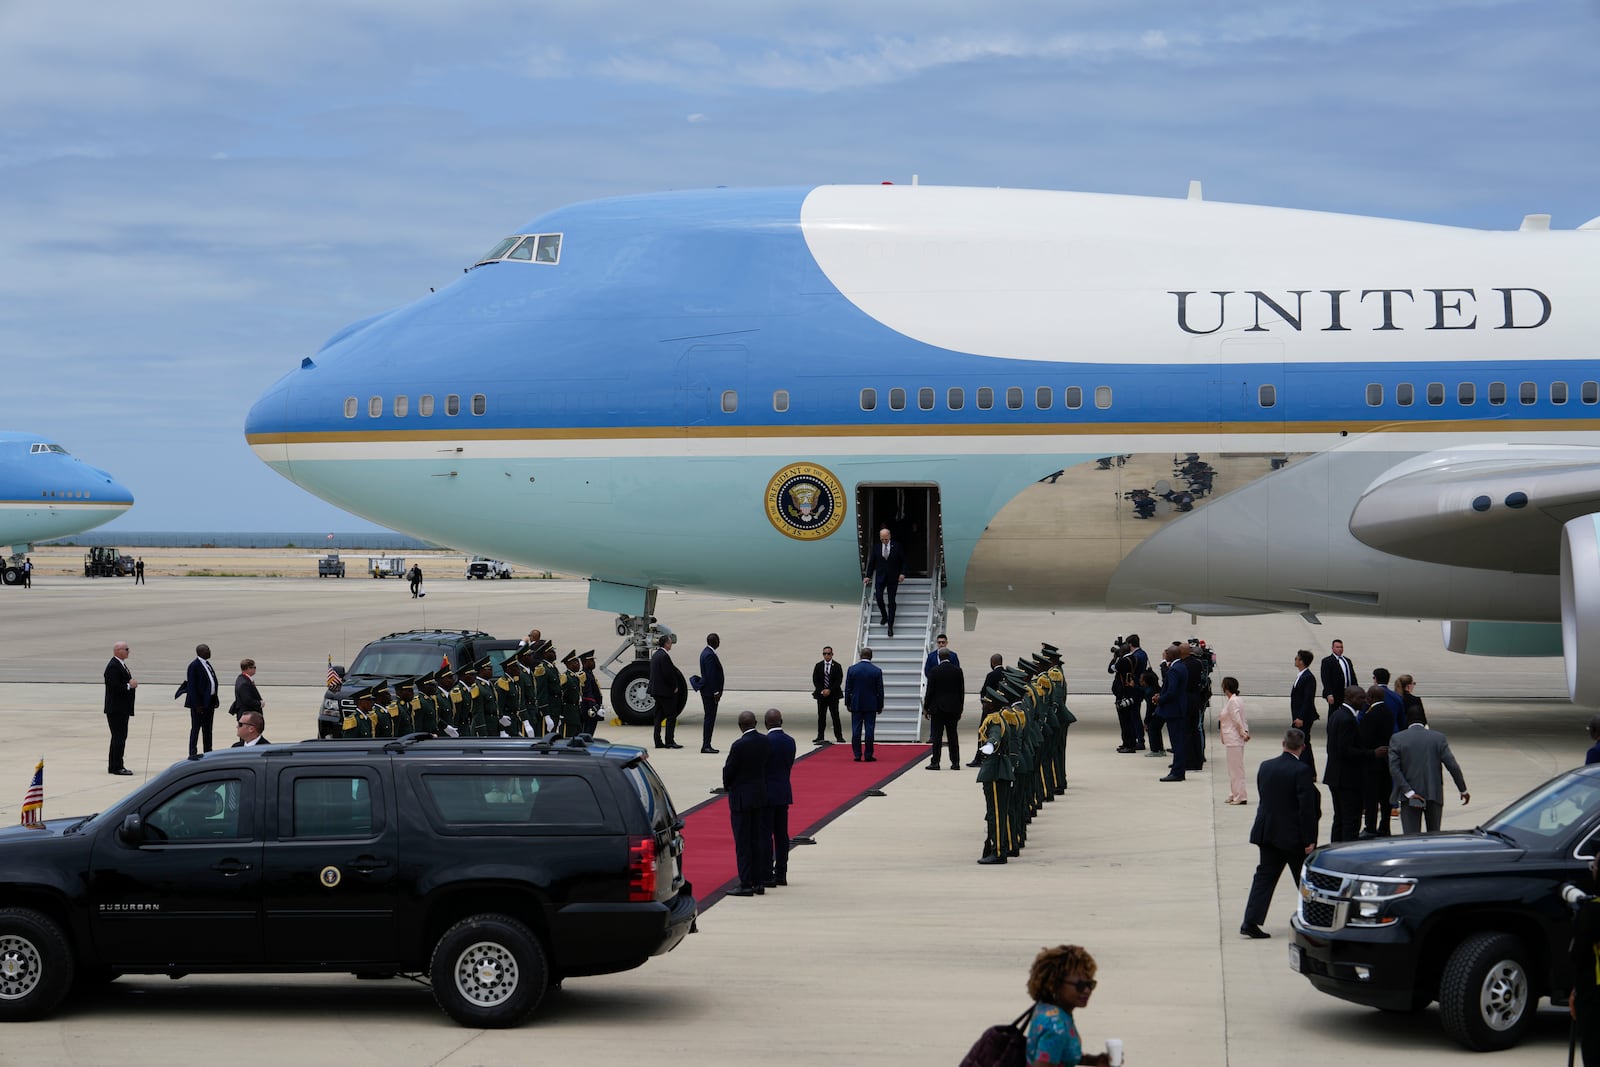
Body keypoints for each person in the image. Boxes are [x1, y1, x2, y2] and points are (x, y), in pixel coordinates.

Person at [1240, 728, 1321, 939]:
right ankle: (1316, 919)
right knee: (1305, 881)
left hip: (1268, 832)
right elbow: (1306, 809)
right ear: (1302, 748)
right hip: (1293, 837)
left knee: (1264, 878)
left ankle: (1250, 921)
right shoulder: (1301, 771)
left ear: (1282, 743)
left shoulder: (1266, 766)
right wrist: (1310, 839)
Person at [1024, 944, 1112, 1066]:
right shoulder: (1056, 1026)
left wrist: (1092, 1061)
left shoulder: (1046, 1008)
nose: (1087, 991)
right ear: (1055, 984)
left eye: (1090, 984)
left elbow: (1057, 1054)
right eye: (1080, 985)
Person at [1388, 720, 1470, 834]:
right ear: (1424, 723)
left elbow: (1394, 768)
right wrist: (1463, 789)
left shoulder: (1397, 738)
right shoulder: (1438, 738)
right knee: (1434, 835)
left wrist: (1408, 791)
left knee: (1410, 836)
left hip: (1410, 796)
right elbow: (1452, 765)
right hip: (1433, 793)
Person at [722, 711, 771, 897]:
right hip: (759, 795)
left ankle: (746, 883)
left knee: (743, 843)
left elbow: (729, 770)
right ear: (756, 723)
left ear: (740, 726)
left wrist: (727, 785)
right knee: (757, 840)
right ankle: (759, 882)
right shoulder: (765, 741)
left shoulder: (739, 745)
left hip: (742, 799)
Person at [1567, 852, 1600, 1067]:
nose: (1593, 868)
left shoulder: (1593, 911)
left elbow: (1579, 955)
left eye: (1595, 864)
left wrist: (1575, 991)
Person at [1322, 685, 1366, 843]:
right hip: (1346, 778)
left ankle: (1335, 848)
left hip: (1335, 775)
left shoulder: (1336, 715)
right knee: (1350, 819)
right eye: (1361, 697)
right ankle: (1348, 852)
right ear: (1350, 698)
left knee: (1340, 818)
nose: (1364, 700)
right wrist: (1371, 753)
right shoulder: (1347, 719)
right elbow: (1345, 750)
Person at [763, 708, 795, 887]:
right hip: (783, 792)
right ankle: (781, 872)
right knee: (782, 835)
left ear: (766, 723)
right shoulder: (790, 741)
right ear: (781, 722)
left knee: (767, 835)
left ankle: (768, 872)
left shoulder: (765, 742)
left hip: (767, 794)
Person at [1358, 684, 1394, 837]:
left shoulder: (1370, 715)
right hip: (1386, 762)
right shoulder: (1388, 712)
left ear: (1370, 697)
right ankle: (1385, 825)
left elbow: (1364, 739)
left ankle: (1370, 827)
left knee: (1371, 797)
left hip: (1373, 762)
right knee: (1385, 796)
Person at [1152, 643, 1188, 782]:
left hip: (1173, 710)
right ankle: (1179, 770)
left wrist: (1160, 699)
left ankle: (1177, 772)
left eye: (1166, 652)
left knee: (1177, 742)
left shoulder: (1174, 670)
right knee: (1178, 741)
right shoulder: (1181, 666)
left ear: (1172, 655)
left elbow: (1172, 692)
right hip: (1178, 708)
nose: (1164, 654)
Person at [923, 648, 964, 769]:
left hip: (938, 709)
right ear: (949, 657)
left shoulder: (934, 671)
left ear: (939, 657)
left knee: (937, 737)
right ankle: (955, 762)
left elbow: (930, 692)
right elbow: (961, 691)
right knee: (953, 736)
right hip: (953, 709)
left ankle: (935, 762)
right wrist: (960, 708)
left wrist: (926, 708)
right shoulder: (957, 671)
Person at [179, 642, 221, 758]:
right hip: (199, 705)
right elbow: (192, 687)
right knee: (196, 728)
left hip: (209, 702)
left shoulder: (207, 664)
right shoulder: (194, 665)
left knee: (208, 729)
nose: (209, 651)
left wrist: (215, 698)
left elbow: (211, 682)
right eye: (207, 650)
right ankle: (193, 753)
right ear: (200, 652)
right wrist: (197, 704)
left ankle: (208, 751)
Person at [102, 640, 137, 776]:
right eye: (126, 649)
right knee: (118, 737)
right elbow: (114, 687)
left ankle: (115, 765)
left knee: (119, 737)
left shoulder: (120, 665)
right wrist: (129, 685)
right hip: (116, 709)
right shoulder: (113, 667)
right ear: (118, 650)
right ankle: (117, 766)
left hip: (122, 708)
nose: (128, 651)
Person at [863, 526, 906, 637]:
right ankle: (884, 615)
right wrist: (868, 576)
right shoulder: (877, 547)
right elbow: (872, 562)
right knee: (879, 598)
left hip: (893, 577)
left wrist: (902, 573)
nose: (884, 541)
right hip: (880, 577)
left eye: (886, 539)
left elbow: (903, 561)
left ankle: (890, 627)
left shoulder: (896, 546)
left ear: (889, 536)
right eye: (882, 539)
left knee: (891, 601)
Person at [844, 647, 884, 762]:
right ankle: (868, 754)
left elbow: (848, 688)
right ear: (871, 656)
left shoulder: (852, 670)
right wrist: (880, 705)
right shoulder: (876, 671)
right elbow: (880, 690)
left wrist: (848, 702)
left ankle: (857, 754)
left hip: (856, 703)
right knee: (869, 730)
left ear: (861, 656)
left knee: (856, 730)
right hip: (871, 705)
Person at [648, 633, 686, 749]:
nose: (671, 645)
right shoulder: (664, 656)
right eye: (670, 643)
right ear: (666, 644)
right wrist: (674, 686)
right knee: (671, 715)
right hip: (664, 692)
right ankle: (669, 741)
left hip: (656, 691)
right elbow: (668, 674)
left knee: (658, 716)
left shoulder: (656, 655)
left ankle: (657, 741)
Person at [1218, 676, 1250, 804]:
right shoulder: (1235, 700)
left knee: (1236, 769)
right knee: (1233, 768)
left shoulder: (1233, 702)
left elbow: (1237, 719)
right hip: (1233, 738)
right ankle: (1234, 792)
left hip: (1234, 738)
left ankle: (1240, 796)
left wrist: (1243, 733)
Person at [1289, 650, 1319, 775]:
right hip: (1298, 715)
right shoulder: (1301, 675)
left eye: (1297, 658)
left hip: (1304, 717)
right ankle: (1309, 771)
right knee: (1303, 742)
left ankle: (1309, 771)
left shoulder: (1308, 678)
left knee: (1304, 743)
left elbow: (1308, 699)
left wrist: (1300, 717)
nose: (1295, 659)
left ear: (1301, 661)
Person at [811, 646, 845, 745]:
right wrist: (822, 690)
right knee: (821, 716)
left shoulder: (837, 666)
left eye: (828, 653)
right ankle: (820, 736)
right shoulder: (818, 665)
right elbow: (815, 679)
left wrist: (830, 690)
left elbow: (838, 680)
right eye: (824, 654)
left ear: (832, 654)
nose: (826, 655)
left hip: (833, 695)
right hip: (821, 696)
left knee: (835, 716)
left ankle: (839, 736)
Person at [698, 633, 724, 754]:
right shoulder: (709, 655)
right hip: (710, 692)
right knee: (709, 718)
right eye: (718, 640)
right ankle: (706, 745)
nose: (719, 642)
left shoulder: (707, 652)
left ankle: (707, 744)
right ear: (715, 642)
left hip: (708, 691)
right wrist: (716, 692)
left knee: (709, 718)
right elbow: (711, 675)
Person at [1319, 639, 1355, 714]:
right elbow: (1325, 679)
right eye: (1337, 647)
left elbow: (1352, 676)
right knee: (1334, 712)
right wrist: (1329, 693)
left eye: (1341, 647)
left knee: (1347, 712)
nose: (1340, 649)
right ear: (1332, 648)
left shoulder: (1347, 660)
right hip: (1335, 693)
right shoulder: (1327, 661)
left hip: (1348, 692)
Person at [231, 658, 264, 723]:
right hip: (248, 716)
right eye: (254, 667)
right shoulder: (244, 683)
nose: (255, 669)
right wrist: (260, 703)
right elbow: (247, 700)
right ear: (248, 668)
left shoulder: (242, 678)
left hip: (248, 715)